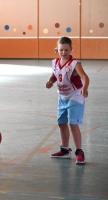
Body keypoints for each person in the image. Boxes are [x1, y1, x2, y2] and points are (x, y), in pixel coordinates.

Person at [46, 36, 89, 164]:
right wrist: (50, 82)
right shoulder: (55, 62)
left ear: (71, 49)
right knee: (61, 123)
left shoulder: (75, 64)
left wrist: (85, 89)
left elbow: (85, 78)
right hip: (62, 96)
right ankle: (65, 150)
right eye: (61, 50)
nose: (63, 52)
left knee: (72, 123)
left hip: (75, 95)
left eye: (66, 50)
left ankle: (79, 151)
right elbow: (55, 74)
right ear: (57, 50)